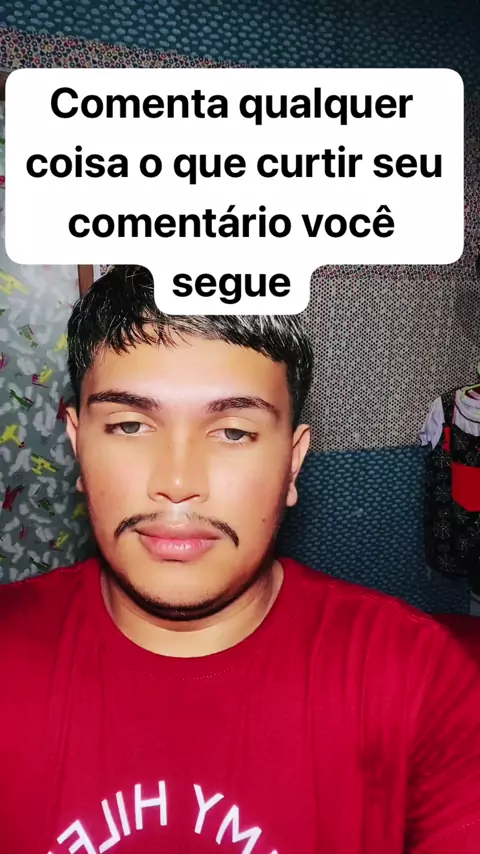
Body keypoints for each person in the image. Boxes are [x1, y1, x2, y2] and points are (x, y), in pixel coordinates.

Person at [1, 265, 480, 854]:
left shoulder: (419, 681)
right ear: (78, 444)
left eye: (232, 432)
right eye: (129, 425)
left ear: (293, 462)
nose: (178, 482)